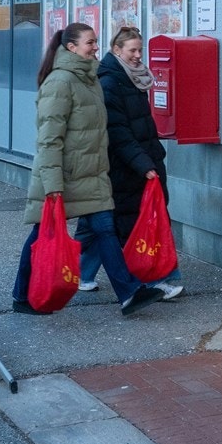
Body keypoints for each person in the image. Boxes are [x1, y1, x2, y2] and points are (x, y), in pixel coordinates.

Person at [9, 23, 164, 317]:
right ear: (71, 48)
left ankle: (129, 293)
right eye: (90, 42)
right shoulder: (60, 82)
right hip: (62, 177)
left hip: (91, 175)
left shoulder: (88, 79)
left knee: (106, 229)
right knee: (42, 236)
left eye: (95, 42)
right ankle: (20, 296)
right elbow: (49, 138)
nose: (95, 47)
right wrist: (53, 184)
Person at [78, 27, 183, 299]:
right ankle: (160, 278)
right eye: (132, 50)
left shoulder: (132, 78)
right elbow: (118, 130)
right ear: (117, 50)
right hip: (126, 166)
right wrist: (143, 163)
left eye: (140, 50)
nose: (138, 56)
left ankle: (80, 274)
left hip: (139, 158)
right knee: (138, 224)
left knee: (104, 225)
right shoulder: (112, 81)